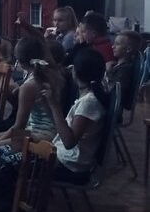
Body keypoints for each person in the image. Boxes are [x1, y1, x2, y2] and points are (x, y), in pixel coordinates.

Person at [43, 48, 109, 184]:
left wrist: (54, 106)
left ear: (75, 72)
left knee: (7, 162)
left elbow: (69, 142)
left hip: (69, 165)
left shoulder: (89, 103)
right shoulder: (91, 95)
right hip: (64, 158)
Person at [106, 30, 141, 111]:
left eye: (117, 44)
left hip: (110, 107)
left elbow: (116, 92)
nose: (113, 46)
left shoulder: (126, 70)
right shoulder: (117, 65)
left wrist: (108, 71)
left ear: (128, 49)